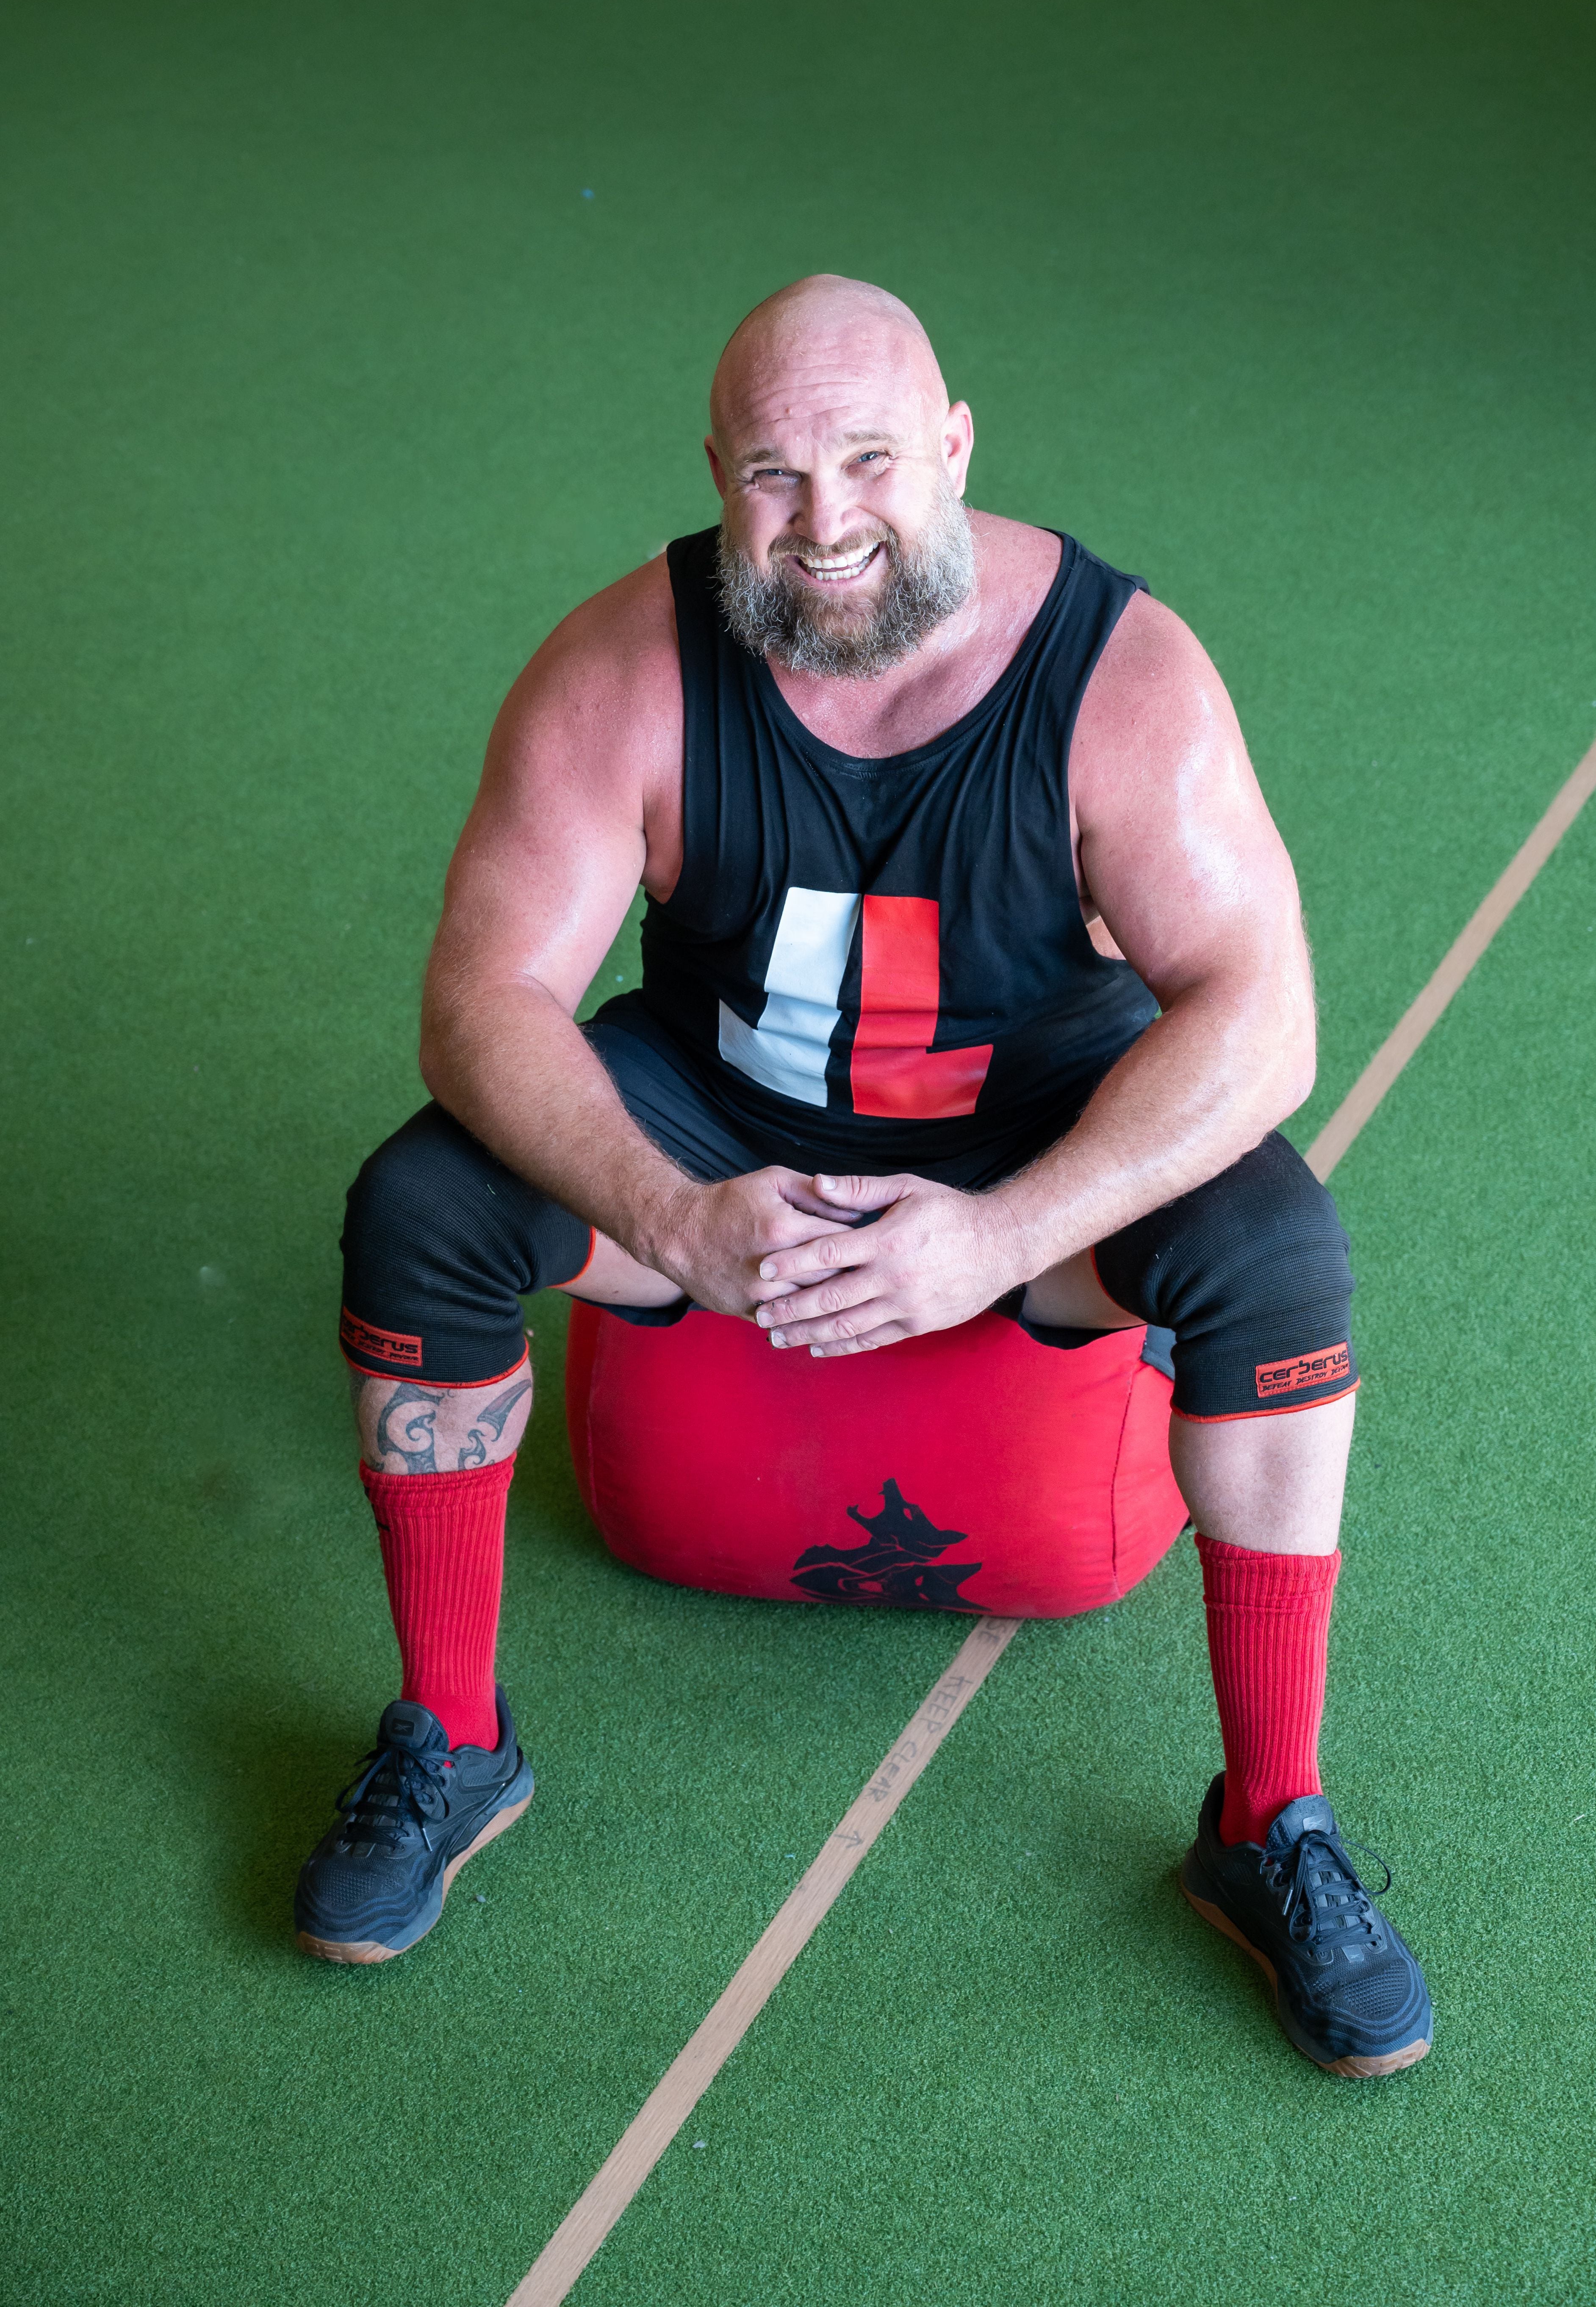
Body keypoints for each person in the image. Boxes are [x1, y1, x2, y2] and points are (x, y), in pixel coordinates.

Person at [294, 275, 1431, 2077]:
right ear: (717, 476)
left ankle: (1270, 1818)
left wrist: (1003, 1235)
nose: (824, 521)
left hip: (1027, 1157)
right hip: (715, 1137)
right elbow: (477, 1004)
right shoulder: (624, 671)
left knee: (1278, 1251)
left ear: (957, 448)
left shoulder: (1123, 680)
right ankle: (449, 1733)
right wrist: (669, 1213)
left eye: (870, 459)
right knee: (421, 1206)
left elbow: (1264, 1020)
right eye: (772, 473)